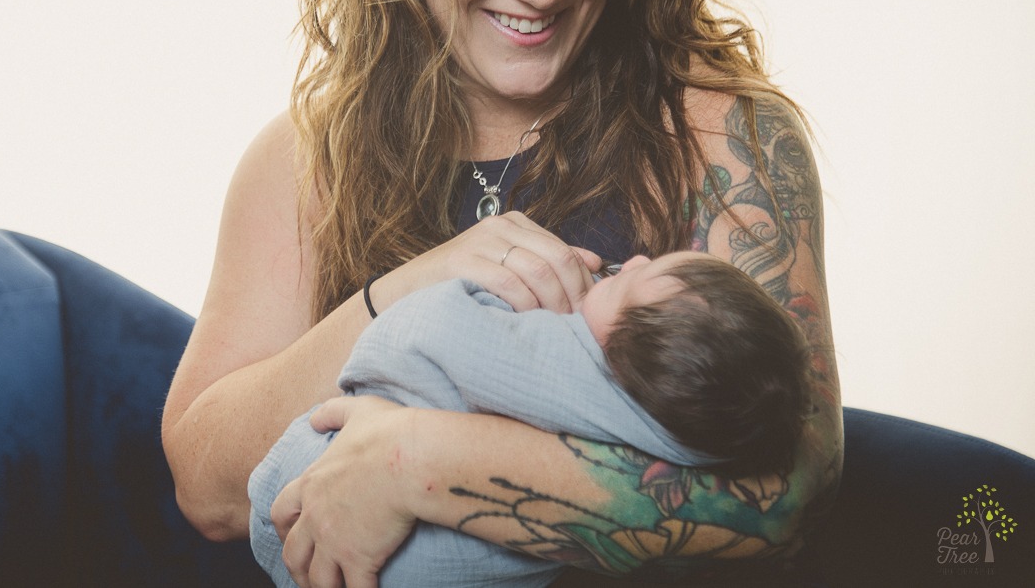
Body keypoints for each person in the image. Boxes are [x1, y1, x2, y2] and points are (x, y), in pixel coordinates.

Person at [162, 0, 842, 588]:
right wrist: (403, 294)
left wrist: (422, 465)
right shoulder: (305, 157)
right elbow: (206, 488)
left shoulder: (723, 136)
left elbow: (781, 491)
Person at [248, 251, 813, 588]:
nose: (632, 259)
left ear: (630, 360)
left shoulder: (572, 360)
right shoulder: (705, 429)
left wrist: (482, 293)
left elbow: (430, 332)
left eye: (623, 283)